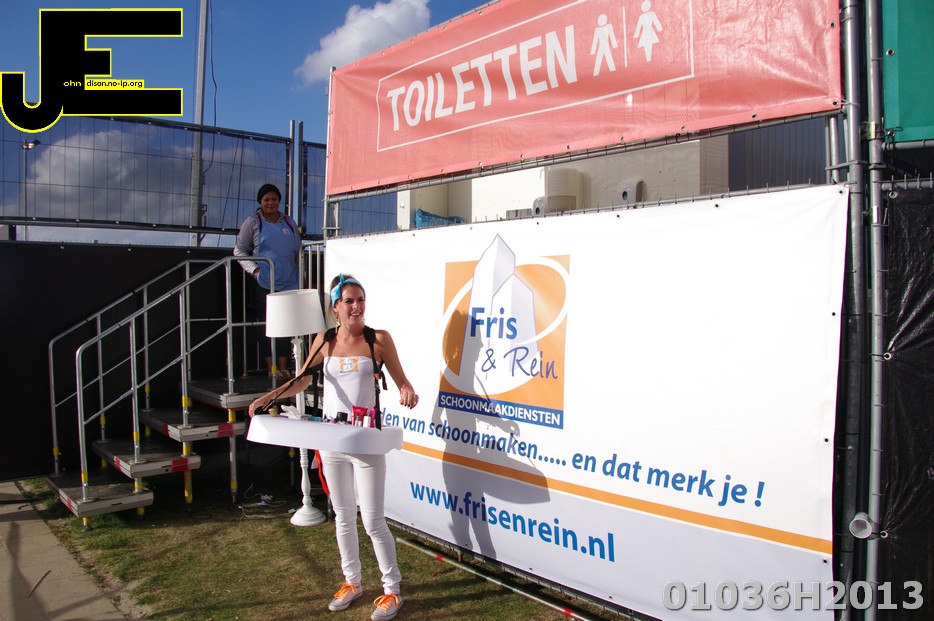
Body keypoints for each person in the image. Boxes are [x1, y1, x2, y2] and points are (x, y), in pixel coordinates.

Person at [248, 273, 418, 620]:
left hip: (365, 440)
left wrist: (407, 391)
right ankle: (352, 582)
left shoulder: (378, 339)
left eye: (361, 300)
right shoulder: (324, 340)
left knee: (372, 520)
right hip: (330, 439)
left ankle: (392, 590)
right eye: (349, 301)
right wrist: (270, 396)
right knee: (342, 516)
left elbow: (403, 381)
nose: (357, 307)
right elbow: (302, 379)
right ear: (335, 308)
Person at [234, 183, 301, 380]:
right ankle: (272, 369)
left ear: (279, 201)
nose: (270, 203)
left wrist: (301, 274)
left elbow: (297, 251)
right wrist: (254, 270)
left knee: (286, 326)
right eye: (266, 199)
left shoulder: (289, 222)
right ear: (260, 202)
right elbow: (239, 251)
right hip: (264, 284)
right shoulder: (252, 222)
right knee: (267, 327)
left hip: (289, 282)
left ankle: (284, 368)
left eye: (274, 199)